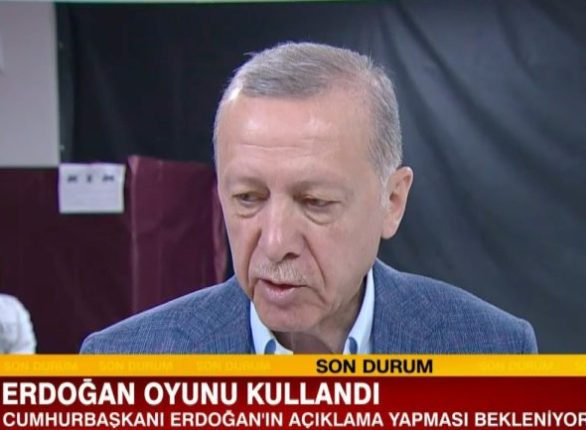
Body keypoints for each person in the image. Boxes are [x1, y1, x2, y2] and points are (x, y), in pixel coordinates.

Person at [80, 42, 537, 354]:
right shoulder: (125, 364)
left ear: (392, 201)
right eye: (248, 197)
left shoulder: (490, 350)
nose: (275, 243)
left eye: (315, 202)